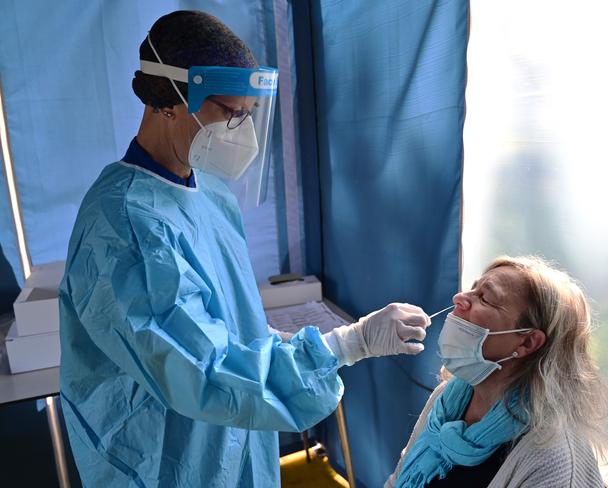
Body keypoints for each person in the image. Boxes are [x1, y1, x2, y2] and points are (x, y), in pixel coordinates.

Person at [58, 10, 431, 488]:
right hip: (162, 461)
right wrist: (346, 345)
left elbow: (229, 332)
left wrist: (282, 345)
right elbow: (202, 371)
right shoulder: (127, 225)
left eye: (250, 115)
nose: (244, 134)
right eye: (231, 114)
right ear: (169, 101)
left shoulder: (208, 192)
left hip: (235, 443)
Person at [386, 256, 608, 487]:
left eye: (484, 297)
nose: (459, 298)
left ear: (528, 343)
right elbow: (397, 480)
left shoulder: (552, 460)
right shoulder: (447, 400)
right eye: (473, 288)